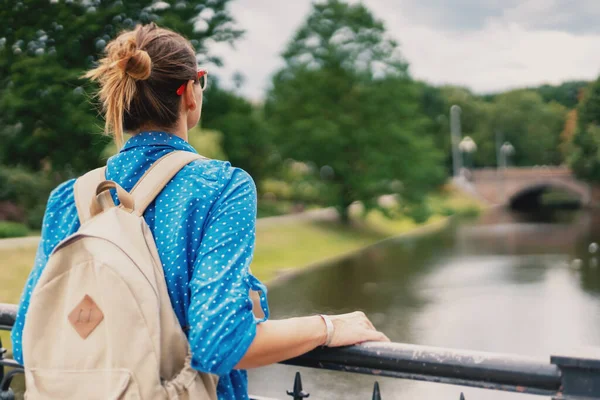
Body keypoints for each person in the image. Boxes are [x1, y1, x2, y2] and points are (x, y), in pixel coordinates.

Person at [11, 23, 389, 399]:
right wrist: (329, 327)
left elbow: (26, 341)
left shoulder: (70, 197)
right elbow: (218, 344)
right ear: (190, 92)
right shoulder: (221, 187)